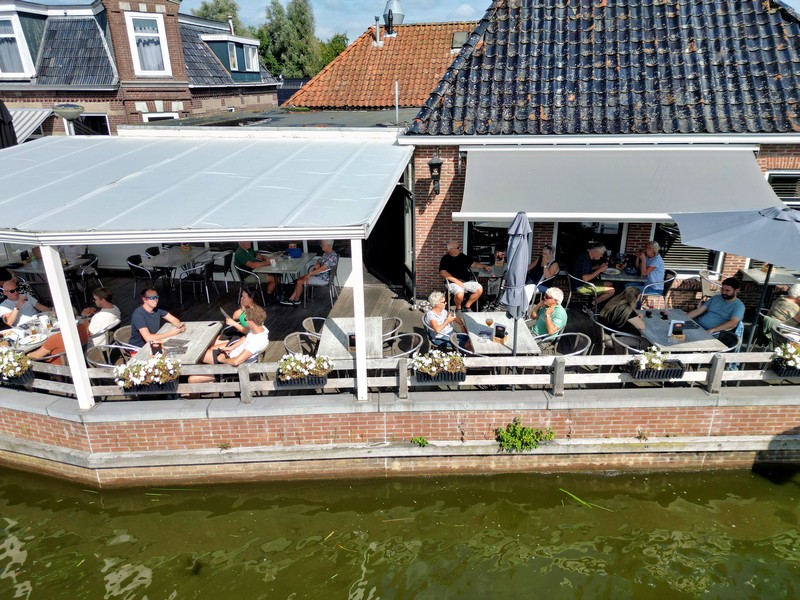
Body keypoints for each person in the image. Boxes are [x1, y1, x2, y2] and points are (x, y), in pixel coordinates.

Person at [188, 305, 269, 386]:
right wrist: (232, 347)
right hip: (230, 355)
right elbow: (246, 337)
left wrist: (222, 360)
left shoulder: (257, 342)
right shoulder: (260, 327)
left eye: (245, 319)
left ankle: (210, 381)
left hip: (231, 366)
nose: (244, 322)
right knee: (198, 354)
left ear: (251, 322)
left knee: (191, 379)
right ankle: (209, 376)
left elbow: (236, 361)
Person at [281, 240, 338, 306]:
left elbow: (322, 269)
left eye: (322, 244)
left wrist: (309, 274)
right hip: (319, 275)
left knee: (300, 281)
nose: (321, 245)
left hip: (323, 279)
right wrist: (317, 264)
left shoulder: (332, 257)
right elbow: (319, 260)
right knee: (300, 278)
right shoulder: (327, 254)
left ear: (328, 246)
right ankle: (292, 298)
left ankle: (296, 300)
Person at [439, 241, 492, 312]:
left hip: (466, 282)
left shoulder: (462, 256)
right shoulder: (445, 258)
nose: (460, 248)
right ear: (452, 249)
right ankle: (458, 308)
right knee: (460, 294)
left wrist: (484, 266)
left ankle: (467, 307)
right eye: (458, 247)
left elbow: (473, 264)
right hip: (452, 283)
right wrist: (457, 281)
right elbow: (443, 272)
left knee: (479, 289)